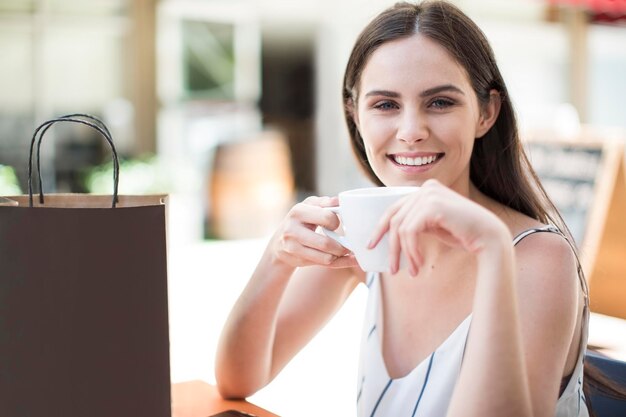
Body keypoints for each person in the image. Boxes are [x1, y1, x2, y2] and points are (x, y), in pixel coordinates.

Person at [215, 2, 620, 416]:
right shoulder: (363, 236)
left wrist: (493, 250)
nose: (411, 132)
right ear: (355, 116)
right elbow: (238, 379)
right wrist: (276, 258)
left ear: (486, 112)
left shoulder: (537, 258)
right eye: (385, 105)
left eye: (440, 102)